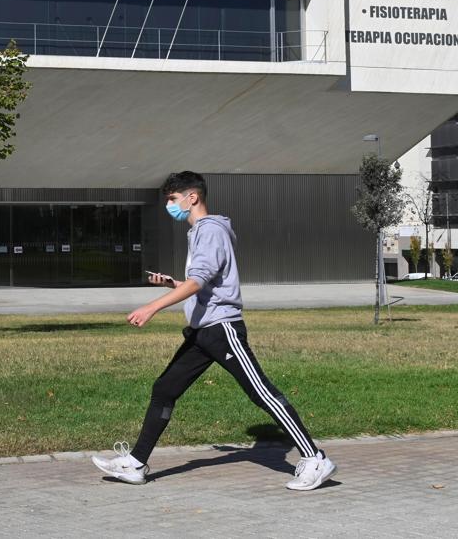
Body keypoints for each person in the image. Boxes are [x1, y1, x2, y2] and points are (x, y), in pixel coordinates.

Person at [92, 172, 336, 491]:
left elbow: (200, 282)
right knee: (165, 389)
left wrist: (152, 306)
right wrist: (171, 284)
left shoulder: (209, 231)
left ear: (192, 197)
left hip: (222, 328)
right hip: (202, 332)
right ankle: (136, 464)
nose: (169, 205)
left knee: (260, 391)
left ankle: (315, 457)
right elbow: (205, 284)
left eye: (172, 199)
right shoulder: (200, 232)